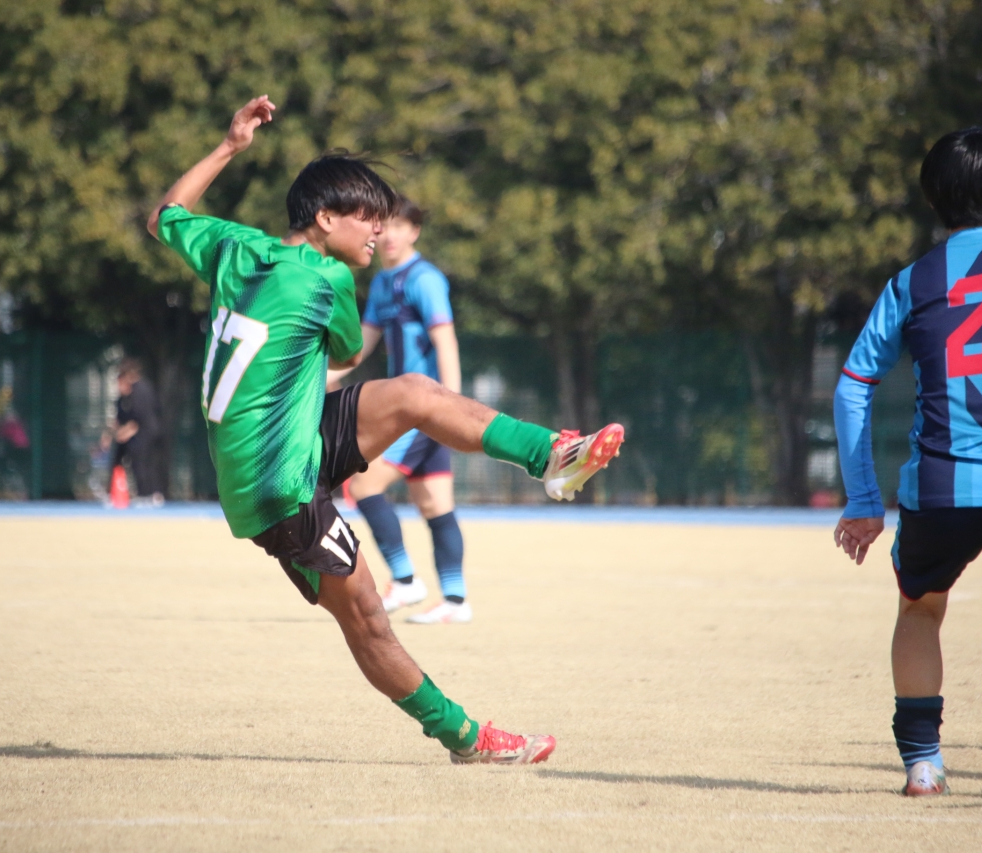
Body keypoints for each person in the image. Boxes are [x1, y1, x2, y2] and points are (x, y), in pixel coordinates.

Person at [146, 96, 624, 765]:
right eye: (367, 216)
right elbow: (344, 351)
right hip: (276, 484)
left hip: (288, 439)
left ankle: (552, 454)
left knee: (415, 393)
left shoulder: (234, 246)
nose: (379, 228)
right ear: (324, 219)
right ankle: (466, 737)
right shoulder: (328, 278)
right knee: (367, 618)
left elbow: (164, 215)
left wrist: (229, 146)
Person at [833, 127, 982, 797]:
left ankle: (923, 764)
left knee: (919, 610)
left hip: (938, 490)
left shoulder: (911, 282)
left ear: (934, 203)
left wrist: (864, 500)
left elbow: (853, 385)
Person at [328, 197, 472, 623]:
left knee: (363, 485)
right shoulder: (382, 284)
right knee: (435, 506)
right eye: (382, 225)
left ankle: (406, 580)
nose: (388, 234)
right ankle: (456, 601)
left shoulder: (425, 279)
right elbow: (361, 347)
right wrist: (319, 378)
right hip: (414, 410)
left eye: (398, 226)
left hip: (423, 412)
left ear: (414, 232)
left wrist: (452, 406)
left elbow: (445, 341)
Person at [111, 358, 163, 505]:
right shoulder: (127, 394)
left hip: (146, 433)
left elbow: (139, 418)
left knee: (143, 463)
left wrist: (124, 433)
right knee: (137, 462)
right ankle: (143, 493)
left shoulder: (141, 390)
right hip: (140, 433)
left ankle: (147, 494)